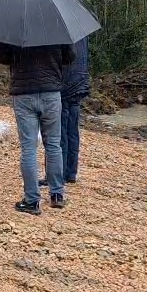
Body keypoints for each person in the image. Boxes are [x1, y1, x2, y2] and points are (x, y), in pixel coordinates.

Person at [0, 41, 75, 215]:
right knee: (53, 144)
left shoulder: (11, 26)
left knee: (28, 148)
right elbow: (70, 57)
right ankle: (57, 194)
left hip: (23, 93)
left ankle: (32, 200)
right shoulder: (56, 24)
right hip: (51, 92)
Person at [59, 37, 90, 184]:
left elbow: (63, 57)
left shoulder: (59, 27)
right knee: (72, 131)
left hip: (64, 84)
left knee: (60, 132)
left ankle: (60, 172)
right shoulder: (79, 24)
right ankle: (71, 172)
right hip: (80, 81)